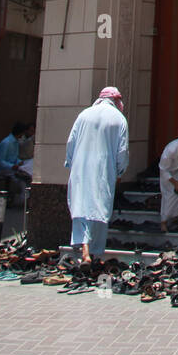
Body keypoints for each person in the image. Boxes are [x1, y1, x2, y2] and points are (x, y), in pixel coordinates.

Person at [65, 86, 129, 264]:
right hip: (103, 170)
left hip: (81, 168)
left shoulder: (84, 115)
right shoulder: (119, 118)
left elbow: (71, 141)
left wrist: (70, 163)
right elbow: (122, 151)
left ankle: (84, 249)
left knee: (81, 206)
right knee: (99, 209)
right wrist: (120, 171)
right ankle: (93, 253)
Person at [0, 122, 32, 204]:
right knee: (22, 180)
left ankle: (26, 198)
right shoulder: (6, 143)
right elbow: (0, 161)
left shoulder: (15, 143)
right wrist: (12, 166)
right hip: (5, 169)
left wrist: (19, 162)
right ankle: (25, 199)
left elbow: (15, 157)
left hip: (14, 168)